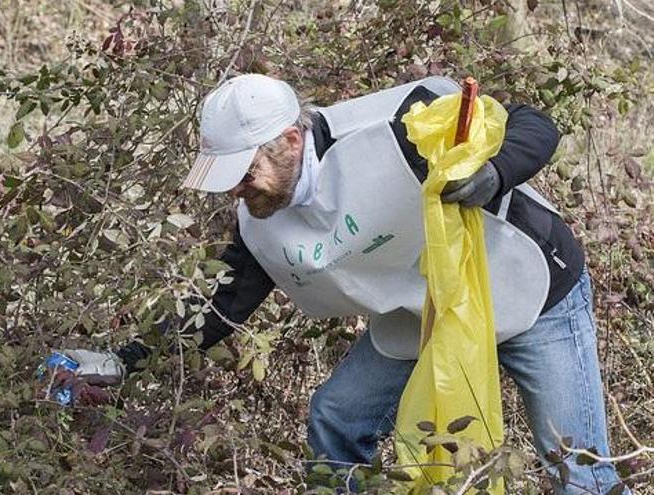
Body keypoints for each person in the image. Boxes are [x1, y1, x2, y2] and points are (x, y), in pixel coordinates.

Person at [62, 74, 628, 494]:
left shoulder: (397, 125)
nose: (238, 190)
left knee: (578, 468)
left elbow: (534, 123)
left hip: (531, 289)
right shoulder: (262, 216)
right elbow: (219, 306)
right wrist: (126, 359)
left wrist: (494, 173)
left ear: (288, 139)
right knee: (337, 416)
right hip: (421, 311)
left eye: (245, 170)